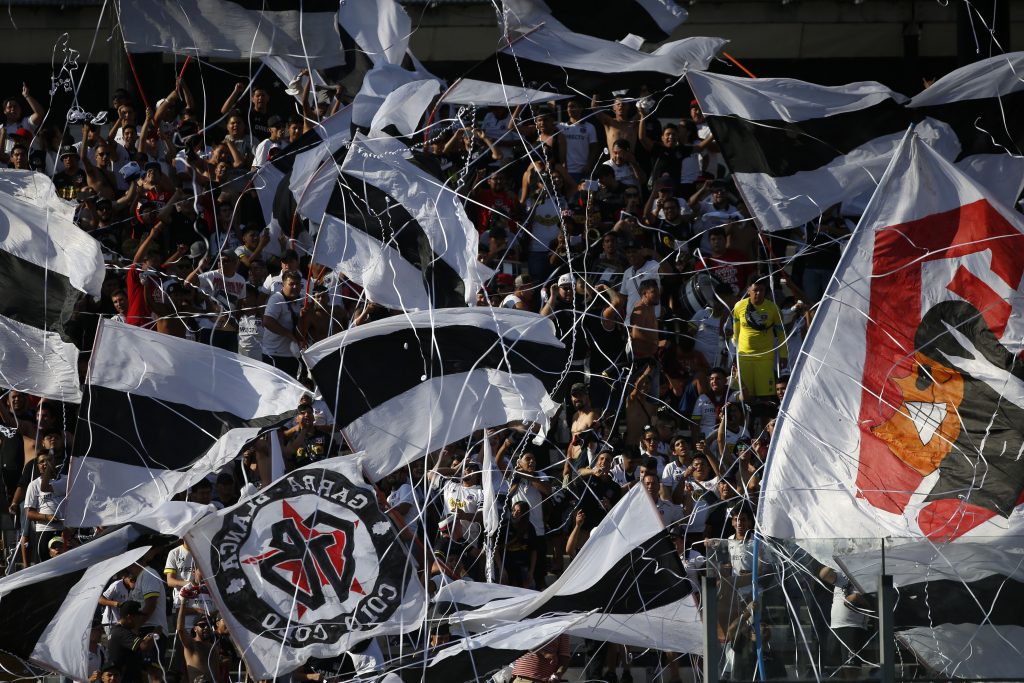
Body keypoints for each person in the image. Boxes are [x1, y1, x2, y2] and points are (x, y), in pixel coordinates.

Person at [732, 280, 788, 399]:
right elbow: (735, 333)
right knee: (745, 396)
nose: (758, 293)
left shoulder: (773, 309)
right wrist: (733, 356)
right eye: (755, 290)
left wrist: (784, 355)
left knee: (765, 397)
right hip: (744, 358)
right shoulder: (739, 306)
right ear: (748, 291)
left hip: (764, 359)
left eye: (761, 290)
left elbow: (781, 334)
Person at [23, 450, 65, 563]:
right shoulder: (33, 485)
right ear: (38, 466)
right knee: (45, 564)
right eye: (41, 462)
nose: (45, 464)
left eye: (48, 460)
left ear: (55, 461)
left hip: (66, 530)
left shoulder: (66, 480)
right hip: (44, 530)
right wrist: (47, 517)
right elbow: (29, 513)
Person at [261, 270, 305, 376]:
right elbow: (267, 321)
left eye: (297, 284)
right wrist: (289, 335)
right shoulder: (276, 299)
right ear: (283, 284)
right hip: (274, 354)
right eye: (291, 284)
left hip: (293, 355)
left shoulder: (301, 301)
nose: (295, 287)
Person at [104, 600, 158, 683]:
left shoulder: (118, 630)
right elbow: (144, 646)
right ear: (129, 617)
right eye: (137, 616)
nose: (139, 619)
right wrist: (155, 633)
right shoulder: (121, 632)